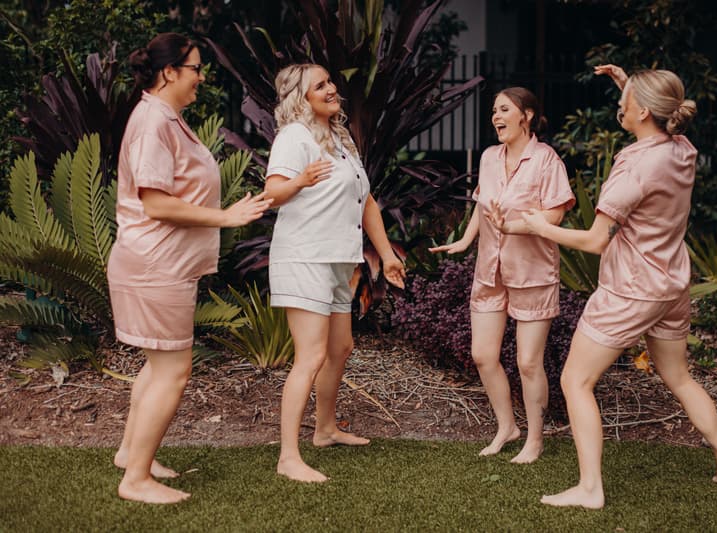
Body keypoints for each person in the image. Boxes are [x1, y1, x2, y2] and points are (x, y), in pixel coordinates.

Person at [488, 65, 717, 509]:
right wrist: (628, 84)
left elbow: (592, 241)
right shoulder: (682, 148)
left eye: (626, 101)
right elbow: (656, 119)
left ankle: (590, 489)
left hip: (630, 290)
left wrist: (536, 226)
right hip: (671, 285)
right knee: (679, 376)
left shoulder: (632, 167)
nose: (618, 106)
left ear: (644, 111)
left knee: (575, 380)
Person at [108, 33, 272, 504]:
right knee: (173, 370)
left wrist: (235, 207)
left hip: (163, 264)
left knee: (158, 363)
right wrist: (225, 217)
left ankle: (129, 454)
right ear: (169, 72)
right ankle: (136, 480)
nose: (202, 76)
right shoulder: (152, 122)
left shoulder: (166, 118)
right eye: (196, 67)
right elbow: (157, 202)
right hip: (155, 264)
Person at [264, 63, 406, 482]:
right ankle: (288, 456)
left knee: (340, 348)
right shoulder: (294, 138)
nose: (331, 88)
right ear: (301, 98)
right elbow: (272, 193)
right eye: (320, 85)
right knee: (310, 355)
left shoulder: (341, 141)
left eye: (330, 82)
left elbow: (367, 202)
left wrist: (387, 254)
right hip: (304, 257)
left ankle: (325, 430)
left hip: (338, 260)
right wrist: (301, 181)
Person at [430, 87, 574, 462]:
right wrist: (464, 240)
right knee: (483, 354)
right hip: (489, 268)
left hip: (533, 272)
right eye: (494, 110)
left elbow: (554, 217)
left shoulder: (546, 160)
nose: (496, 116)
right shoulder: (490, 157)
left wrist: (512, 227)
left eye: (504, 109)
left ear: (526, 115)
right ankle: (507, 426)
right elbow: (483, 205)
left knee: (528, 361)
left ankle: (535, 439)